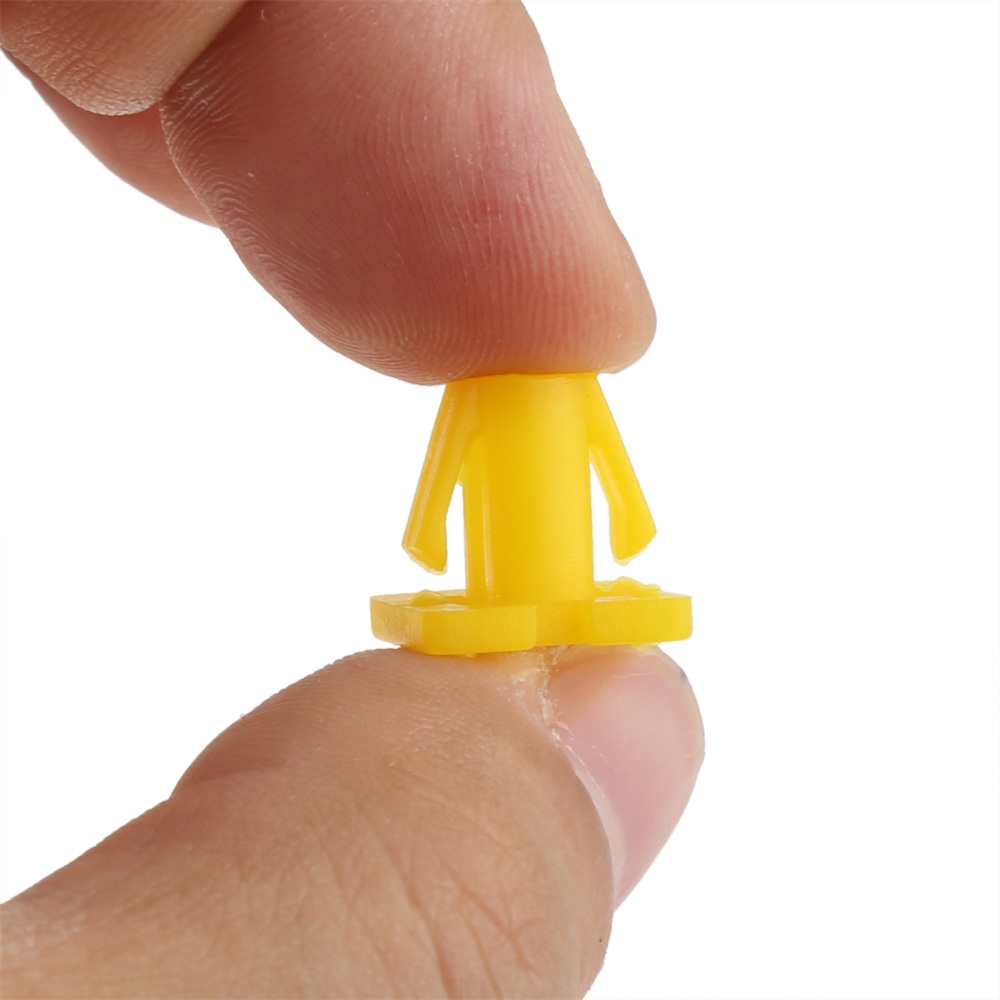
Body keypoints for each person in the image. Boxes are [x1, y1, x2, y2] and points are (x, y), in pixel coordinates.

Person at [0, 3, 704, 996]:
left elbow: (602, 462)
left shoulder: (552, 395)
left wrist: (621, 522)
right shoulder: (486, 396)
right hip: (502, 602)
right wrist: (437, 537)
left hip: (545, 600)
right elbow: (452, 467)